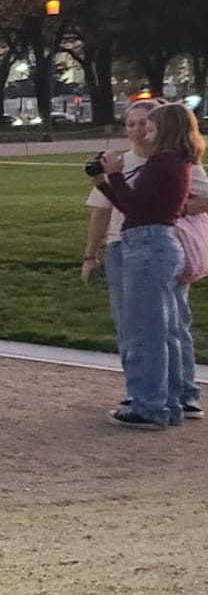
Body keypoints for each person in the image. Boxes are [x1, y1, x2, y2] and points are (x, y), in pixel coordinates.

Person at [81, 99, 208, 420]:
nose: (143, 132)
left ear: (164, 130)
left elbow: (136, 208)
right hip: (154, 242)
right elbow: (131, 206)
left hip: (149, 245)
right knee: (159, 328)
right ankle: (170, 401)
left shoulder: (162, 163)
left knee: (146, 331)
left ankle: (149, 405)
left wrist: (115, 176)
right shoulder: (174, 161)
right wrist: (104, 183)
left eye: (150, 127)